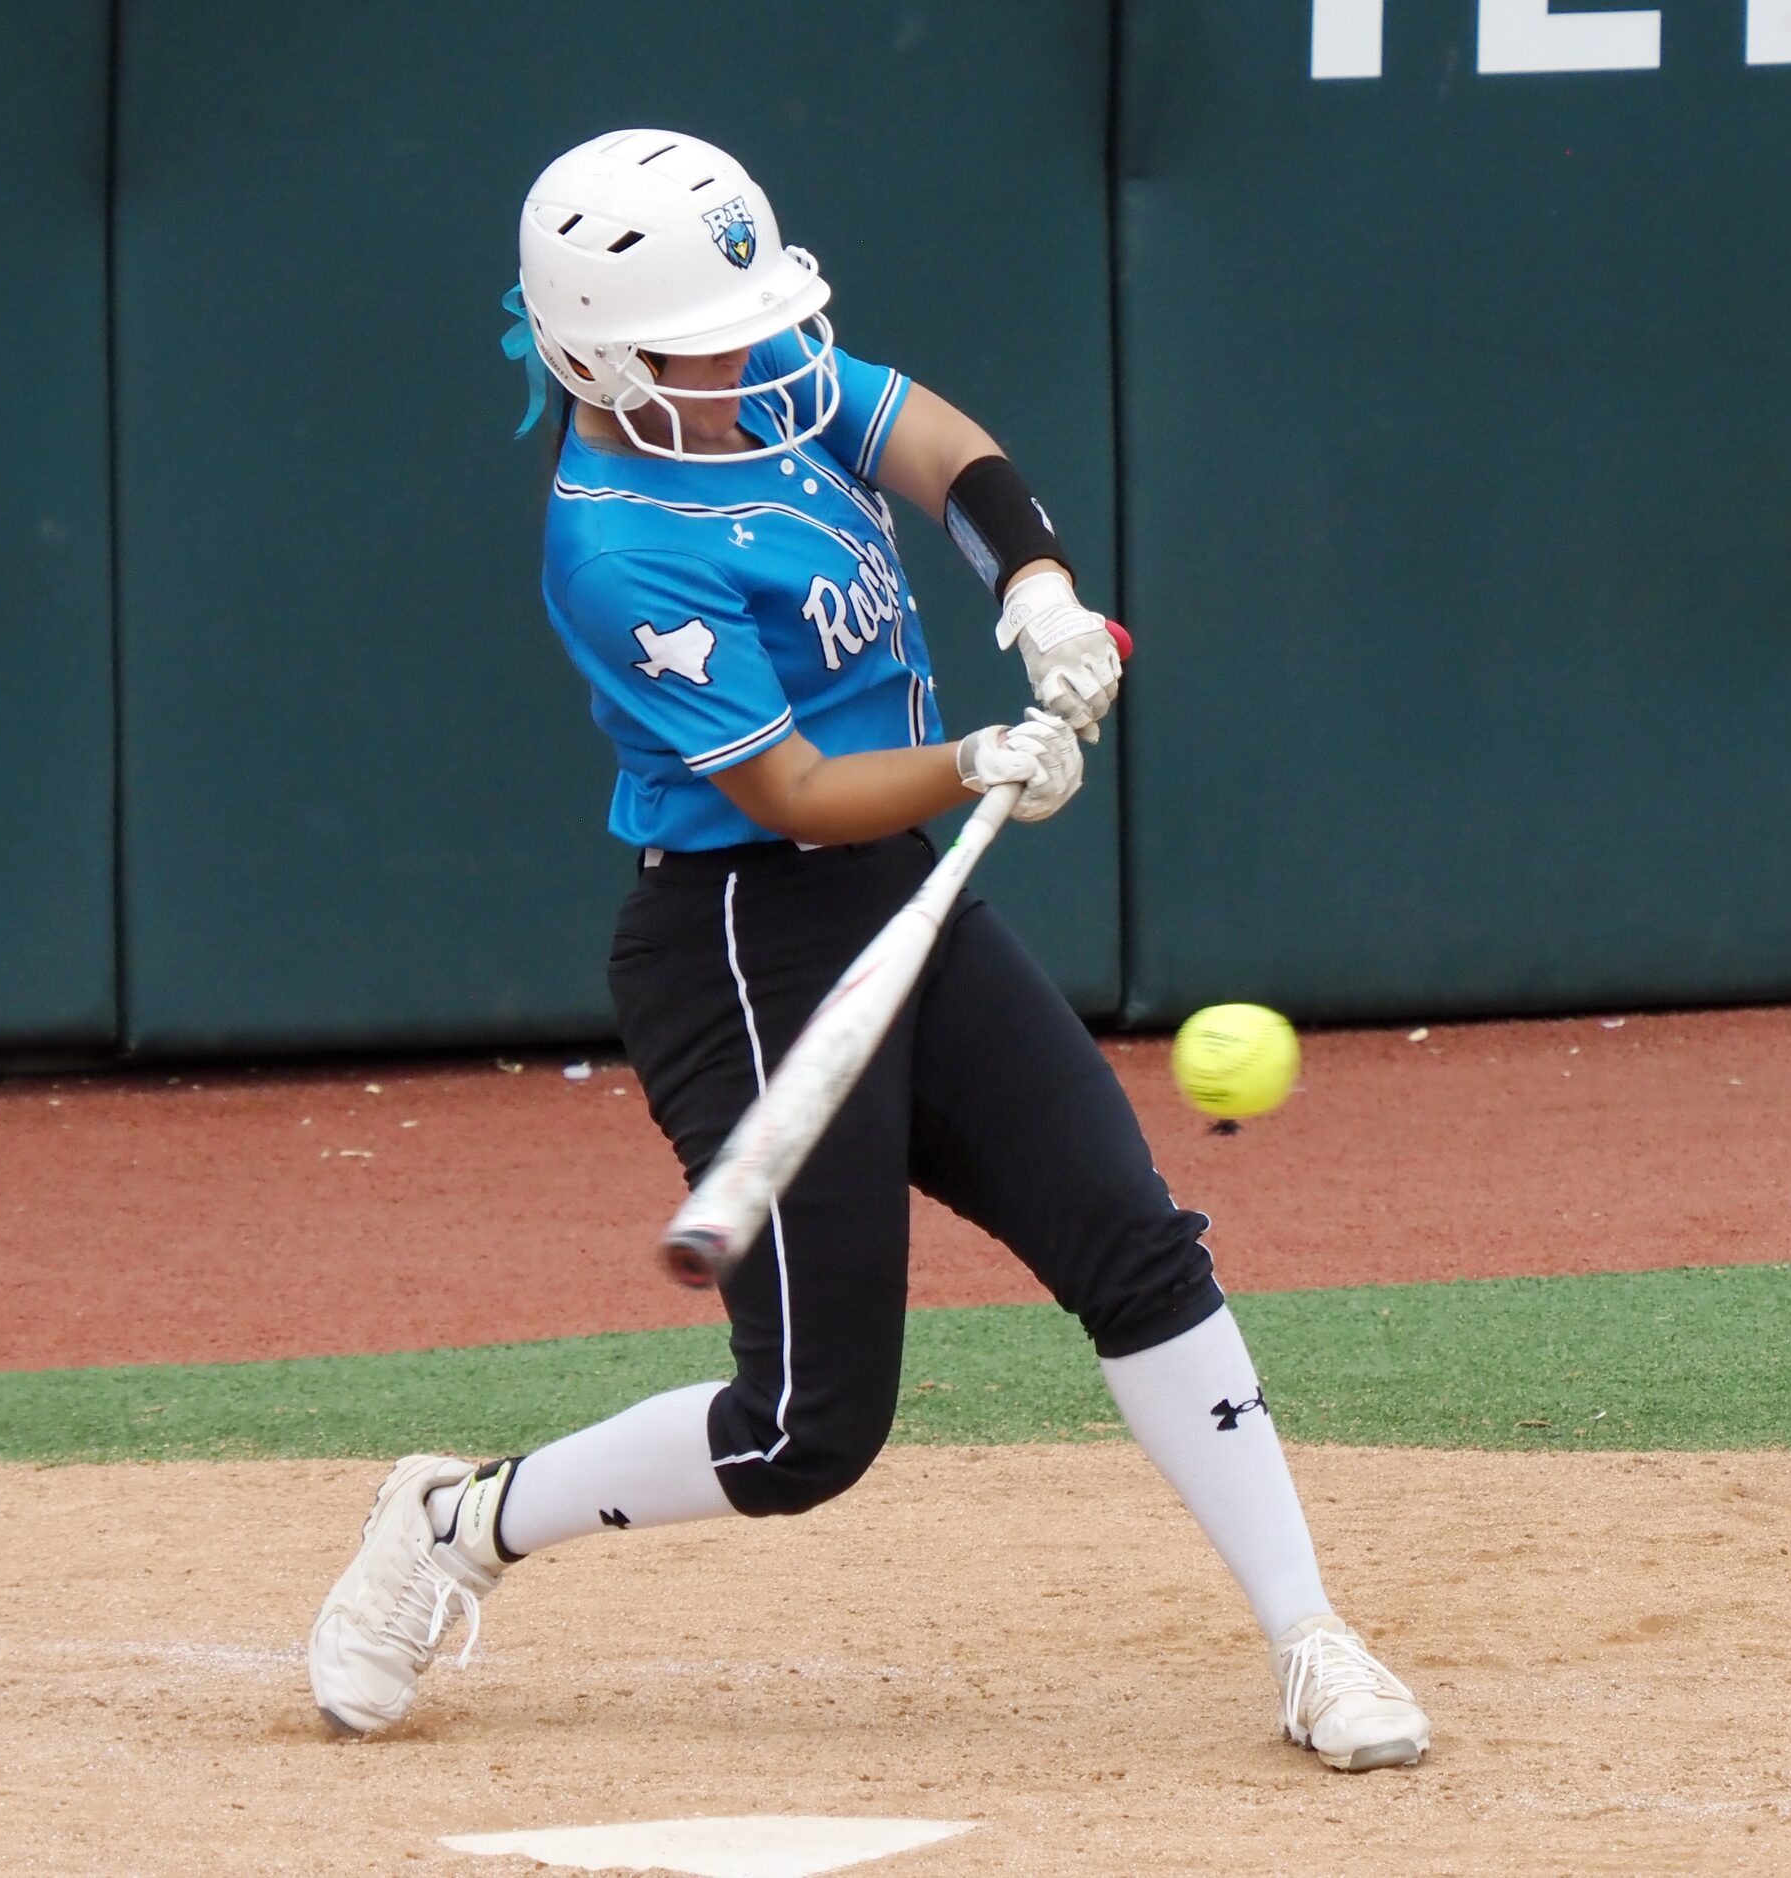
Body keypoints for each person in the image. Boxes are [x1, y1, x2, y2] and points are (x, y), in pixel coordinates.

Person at [305, 129, 1430, 1774]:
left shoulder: (765, 376)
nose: (757, 348)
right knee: (802, 1430)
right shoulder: (615, 544)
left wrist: (1035, 590)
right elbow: (796, 791)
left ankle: (1312, 1634)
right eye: (711, 329)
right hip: (744, 934)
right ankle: (459, 1521)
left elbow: (945, 447)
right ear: (601, 355)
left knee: (1134, 1245)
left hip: (901, 897)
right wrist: (980, 760)